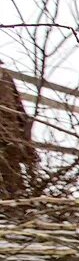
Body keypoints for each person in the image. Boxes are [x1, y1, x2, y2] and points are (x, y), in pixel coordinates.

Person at [0, 62, 38, 198]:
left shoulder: (5, 77)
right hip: (10, 130)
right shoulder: (5, 76)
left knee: (12, 168)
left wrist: (24, 128)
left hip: (10, 132)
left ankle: (15, 200)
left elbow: (17, 105)